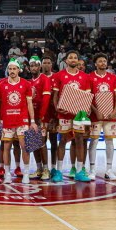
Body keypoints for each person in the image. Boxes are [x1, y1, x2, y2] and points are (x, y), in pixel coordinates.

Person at [50, 50, 92, 183]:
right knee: (62, 140)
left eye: (75, 58)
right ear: (66, 61)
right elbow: (55, 96)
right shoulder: (58, 75)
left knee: (79, 140)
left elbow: (87, 96)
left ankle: (79, 171)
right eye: (70, 58)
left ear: (78, 61)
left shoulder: (85, 77)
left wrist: (87, 109)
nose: (73, 60)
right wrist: (57, 107)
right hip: (64, 113)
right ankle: (59, 171)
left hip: (79, 114)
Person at [0, 59, 37, 184]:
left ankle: (26, 174)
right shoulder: (1, 84)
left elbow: (29, 103)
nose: (12, 71)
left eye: (14, 69)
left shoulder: (26, 84)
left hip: (22, 120)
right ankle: (7, 173)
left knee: (25, 147)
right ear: (7, 70)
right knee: (6, 147)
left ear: (19, 70)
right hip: (6, 120)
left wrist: (32, 121)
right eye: (10, 69)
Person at [86, 53, 116, 181]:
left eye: (104, 61)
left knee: (109, 141)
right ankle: (92, 170)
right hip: (96, 116)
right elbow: (89, 97)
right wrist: (95, 111)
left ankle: (109, 170)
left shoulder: (113, 77)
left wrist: (115, 110)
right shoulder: (90, 77)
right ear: (95, 64)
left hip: (110, 114)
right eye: (100, 61)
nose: (102, 63)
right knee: (94, 141)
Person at [28, 56, 53, 180]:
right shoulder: (29, 82)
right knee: (34, 142)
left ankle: (46, 169)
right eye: (31, 65)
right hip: (31, 118)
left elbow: (46, 99)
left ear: (40, 67)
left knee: (42, 142)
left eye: (35, 65)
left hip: (42, 117)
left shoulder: (44, 79)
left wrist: (41, 116)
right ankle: (38, 169)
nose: (33, 67)